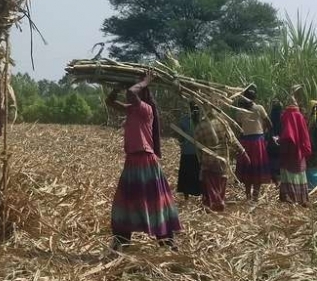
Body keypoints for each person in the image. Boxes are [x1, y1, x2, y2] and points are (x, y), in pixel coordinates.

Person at [105, 73, 181, 250]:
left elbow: (132, 93)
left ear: (143, 93)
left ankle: (167, 243)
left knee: (156, 203)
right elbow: (110, 102)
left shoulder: (146, 109)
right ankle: (121, 241)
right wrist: (117, 86)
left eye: (140, 89)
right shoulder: (132, 109)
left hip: (145, 161)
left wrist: (145, 81)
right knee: (124, 203)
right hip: (132, 161)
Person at [194, 110, 246, 212]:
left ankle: (212, 206)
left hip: (208, 161)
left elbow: (197, 145)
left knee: (210, 186)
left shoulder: (200, 126)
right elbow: (233, 140)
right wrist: (243, 152)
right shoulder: (222, 123)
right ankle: (218, 205)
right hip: (222, 160)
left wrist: (200, 158)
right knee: (220, 184)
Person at [234, 86, 273, 201]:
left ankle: (248, 195)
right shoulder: (259, 108)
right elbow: (269, 123)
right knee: (258, 168)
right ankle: (255, 196)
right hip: (257, 142)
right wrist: (264, 133)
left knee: (247, 168)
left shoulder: (240, 111)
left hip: (245, 141)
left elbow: (238, 126)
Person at [279, 90, 312, 205]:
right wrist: (305, 148)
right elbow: (304, 134)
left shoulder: (285, 116)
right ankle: (301, 198)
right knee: (299, 172)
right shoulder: (300, 116)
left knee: (287, 172)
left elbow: (284, 132)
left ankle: (289, 196)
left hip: (286, 149)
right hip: (298, 150)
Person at [176, 102, 202, 199]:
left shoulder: (186, 121)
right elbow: (180, 138)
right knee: (193, 173)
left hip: (192, 153)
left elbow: (180, 139)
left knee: (189, 173)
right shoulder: (199, 121)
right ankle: (192, 194)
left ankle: (190, 194)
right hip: (193, 153)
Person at [267, 100, 284, 183]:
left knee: (272, 158)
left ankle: (273, 174)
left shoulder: (271, 117)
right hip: (280, 141)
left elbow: (269, 128)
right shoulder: (283, 117)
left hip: (272, 141)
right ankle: (277, 175)